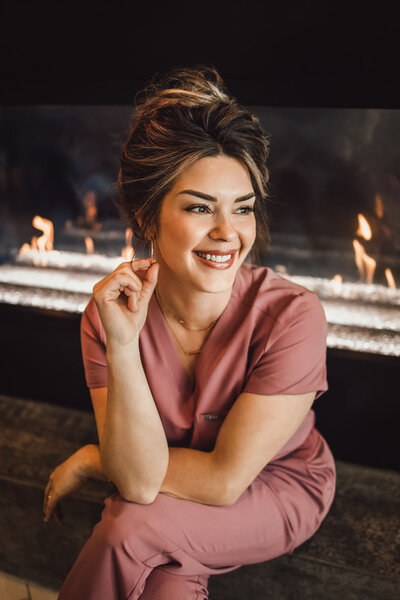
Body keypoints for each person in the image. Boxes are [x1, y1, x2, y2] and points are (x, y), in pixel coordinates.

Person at [43, 66, 336, 600]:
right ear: (148, 218)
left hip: (272, 484)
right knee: (165, 583)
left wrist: (94, 456)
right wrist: (125, 342)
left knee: (130, 526)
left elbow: (224, 481)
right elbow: (136, 479)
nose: (228, 232)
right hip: (166, 487)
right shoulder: (110, 313)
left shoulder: (293, 315)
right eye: (200, 208)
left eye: (242, 208)